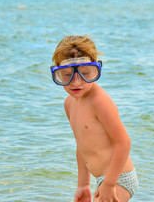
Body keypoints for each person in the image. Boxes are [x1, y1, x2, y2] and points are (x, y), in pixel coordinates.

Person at [50, 35, 139, 202]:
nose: (76, 82)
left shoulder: (99, 100)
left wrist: (110, 184)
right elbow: (82, 146)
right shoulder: (69, 104)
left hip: (119, 178)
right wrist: (83, 185)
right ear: (57, 73)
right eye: (67, 75)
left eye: (85, 74)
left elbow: (124, 142)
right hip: (103, 180)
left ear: (95, 71)